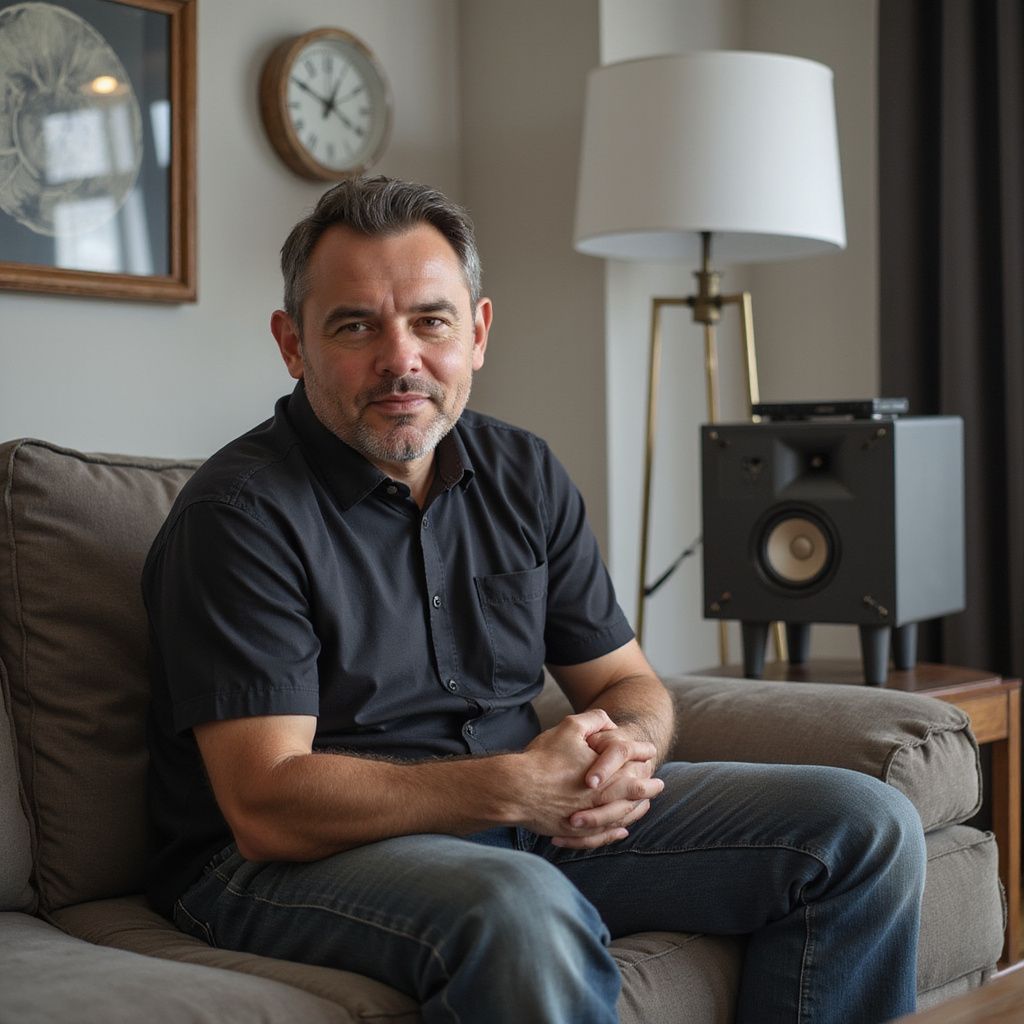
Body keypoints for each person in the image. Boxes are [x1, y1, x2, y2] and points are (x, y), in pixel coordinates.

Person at [143, 176, 926, 1024]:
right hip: (283, 865)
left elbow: (629, 684)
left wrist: (617, 761)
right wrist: (515, 787)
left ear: (477, 333)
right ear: (293, 344)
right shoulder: (241, 515)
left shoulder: (521, 473)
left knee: (864, 826)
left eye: (431, 320)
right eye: (356, 324)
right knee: (519, 906)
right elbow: (266, 804)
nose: (401, 358)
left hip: (518, 823)